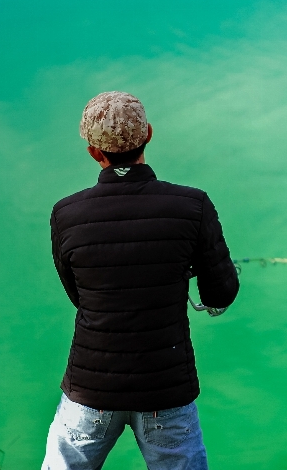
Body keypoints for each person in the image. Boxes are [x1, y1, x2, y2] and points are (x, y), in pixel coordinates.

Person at [42, 91, 239, 470]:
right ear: (148, 134)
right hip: (165, 389)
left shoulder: (66, 213)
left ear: (93, 152)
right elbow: (221, 292)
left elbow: (78, 295)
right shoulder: (191, 205)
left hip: (90, 389)